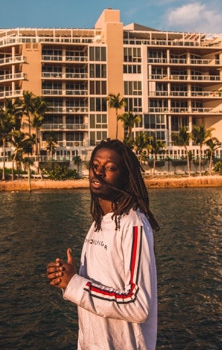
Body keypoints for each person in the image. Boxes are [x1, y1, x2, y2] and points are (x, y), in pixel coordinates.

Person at [46, 139, 159, 350]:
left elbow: (138, 305)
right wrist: (67, 278)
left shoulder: (133, 224)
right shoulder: (98, 222)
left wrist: (75, 284)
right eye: (95, 166)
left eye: (110, 168)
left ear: (125, 177)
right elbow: (94, 294)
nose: (98, 173)